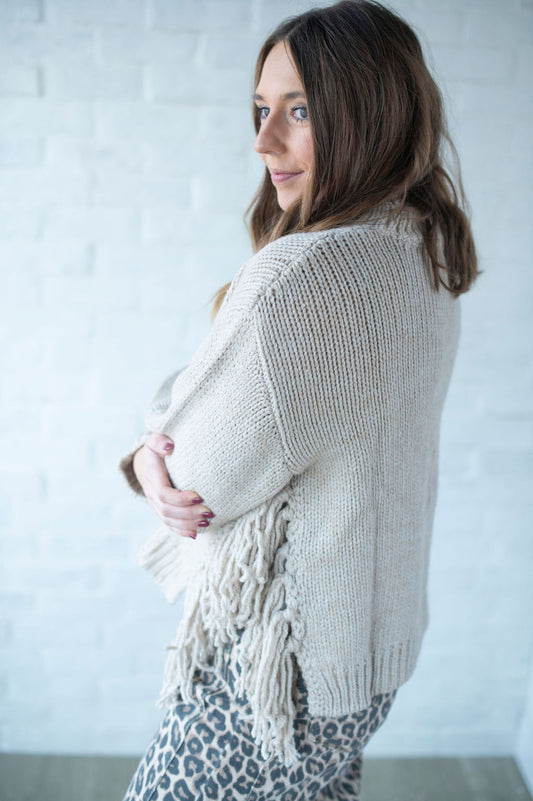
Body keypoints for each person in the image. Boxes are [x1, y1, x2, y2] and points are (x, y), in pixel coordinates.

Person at [118, 1, 478, 799]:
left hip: (274, 675)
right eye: (261, 108)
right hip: (368, 661)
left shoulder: (299, 280)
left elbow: (196, 469)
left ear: (367, 117)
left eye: (300, 111)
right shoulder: (424, 250)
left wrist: (147, 447)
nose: (263, 140)